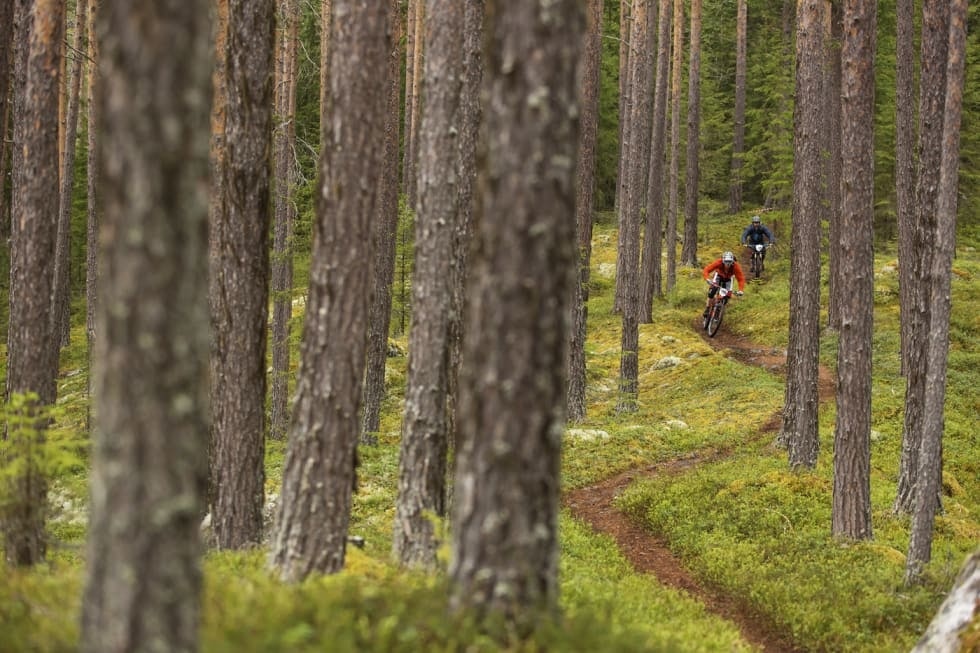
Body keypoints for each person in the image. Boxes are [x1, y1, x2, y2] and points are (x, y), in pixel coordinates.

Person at [702, 251, 745, 316]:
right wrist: (707, 278)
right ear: (723, 260)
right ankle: (707, 308)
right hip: (718, 276)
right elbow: (707, 269)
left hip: (728, 279)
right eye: (726, 262)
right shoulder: (719, 262)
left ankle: (719, 308)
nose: (727, 264)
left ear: (732, 261)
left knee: (727, 295)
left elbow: (741, 279)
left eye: (729, 262)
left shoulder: (736, 266)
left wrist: (741, 290)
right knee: (712, 291)